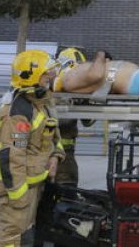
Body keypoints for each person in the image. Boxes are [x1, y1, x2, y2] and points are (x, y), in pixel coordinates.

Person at [0, 49, 65, 247]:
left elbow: (53, 137)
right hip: (16, 188)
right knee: (11, 237)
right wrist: (18, 196)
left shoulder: (42, 104)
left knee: (25, 235)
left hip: (33, 184)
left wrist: (55, 156)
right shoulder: (18, 114)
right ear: (31, 77)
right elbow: (11, 155)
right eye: (46, 74)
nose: (51, 77)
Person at [53, 47, 89, 185]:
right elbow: (57, 120)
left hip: (67, 154)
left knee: (68, 187)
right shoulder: (47, 91)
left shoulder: (75, 91)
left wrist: (85, 100)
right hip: (46, 152)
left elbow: (88, 121)